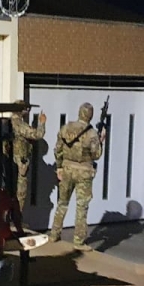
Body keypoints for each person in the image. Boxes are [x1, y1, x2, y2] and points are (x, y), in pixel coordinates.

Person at [49, 102, 102, 250]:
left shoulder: (66, 128)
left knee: (62, 203)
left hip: (67, 169)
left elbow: (58, 149)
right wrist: (101, 142)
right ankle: (78, 241)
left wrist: (59, 167)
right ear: (90, 116)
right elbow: (96, 155)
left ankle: (54, 234)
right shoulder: (92, 133)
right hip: (84, 172)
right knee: (81, 207)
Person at [10, 103, 46, 214]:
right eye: (26, 109)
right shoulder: (19, 124)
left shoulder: (9, 122)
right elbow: (37, 134)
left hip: (12, 161)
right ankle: (17, 216)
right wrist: (41, 123)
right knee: (21, 192)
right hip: (20, 162)